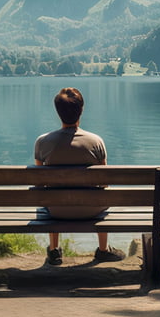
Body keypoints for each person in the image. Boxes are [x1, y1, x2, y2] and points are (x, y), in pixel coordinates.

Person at [33, 86, 123, 267]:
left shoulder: (43, 142)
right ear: (81, 110)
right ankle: (103, 251)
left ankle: (54, 251)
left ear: (57, 111)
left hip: (56, 211)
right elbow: (103, 182)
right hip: (92, 210)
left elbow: (39, 183)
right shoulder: (96, 142)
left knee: (51, 192)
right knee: (102, 193)